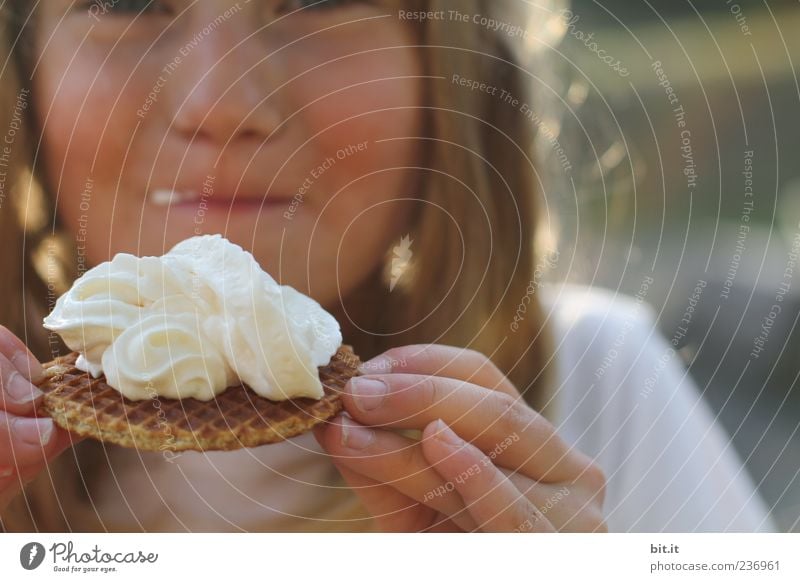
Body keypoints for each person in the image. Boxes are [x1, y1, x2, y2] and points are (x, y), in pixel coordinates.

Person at [0, 0, 774, 532]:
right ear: (23, 75)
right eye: (127, 1)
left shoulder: (595, 387)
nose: (218, 102)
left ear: (458, 74)